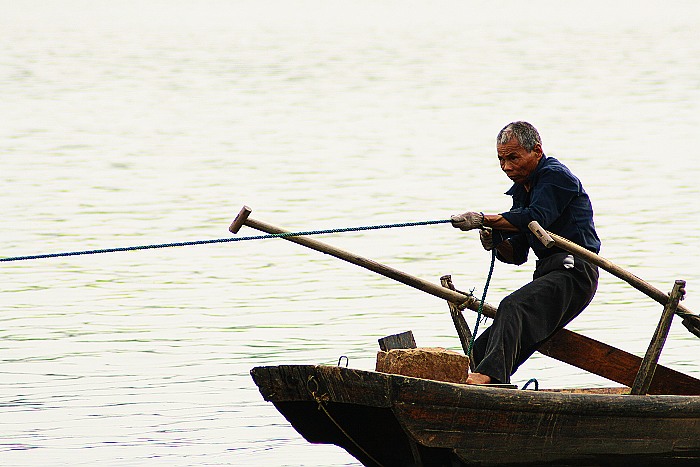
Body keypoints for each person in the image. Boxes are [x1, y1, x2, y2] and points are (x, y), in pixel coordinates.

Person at [451, 121, 601, 385]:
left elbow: (535, 217)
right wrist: (495, 241)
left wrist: (483, 219)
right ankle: (487, 381)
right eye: (501, 159)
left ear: (537, 151)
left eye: (513, 158)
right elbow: (517, 254)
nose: (507, 167)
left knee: (513, 307)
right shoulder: (522, 191)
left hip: (575, 272)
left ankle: (489, 377)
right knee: (481, 347)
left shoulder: (556, 177)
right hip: (549, 273)